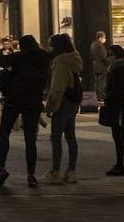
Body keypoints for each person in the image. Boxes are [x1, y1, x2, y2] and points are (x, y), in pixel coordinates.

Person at [0, 34, 50, 188]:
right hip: (33, 101)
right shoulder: (43, 58)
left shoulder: (18, 57)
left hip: (14, 99)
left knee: (4, 133)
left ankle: (1, 167)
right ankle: (31, 174)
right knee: (30, 139)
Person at [45, 33, 84, 185]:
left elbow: (57, 88)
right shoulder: (74, 60)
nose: (50, 49)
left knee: (56, 137)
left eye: (52, 45)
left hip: (62, 102)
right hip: (73, 101)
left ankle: (55, 172)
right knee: (70, 136)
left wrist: (51, 105)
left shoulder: (60, 62)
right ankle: (72, 171)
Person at [101, 44, 124, 176]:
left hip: (117, 104)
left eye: (110, 54)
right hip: (120, 104)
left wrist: (108, 98)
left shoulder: (118, 68)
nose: (108, 57)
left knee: (119, 135)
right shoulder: (122, 67)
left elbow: (118, 88)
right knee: (121, 134)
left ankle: (120, 165)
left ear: (117, 55)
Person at [90, 31, 110, 102]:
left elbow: (91, 56)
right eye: (104, 37)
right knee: (102, 82)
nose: (105, 39)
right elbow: (103, 56)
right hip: (101, 66)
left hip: (95, 66)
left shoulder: (93, 44)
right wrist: (108, 63)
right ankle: (100, 96)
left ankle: (96, 97)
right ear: (100, 37)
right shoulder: (100, 45)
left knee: (97, 82)